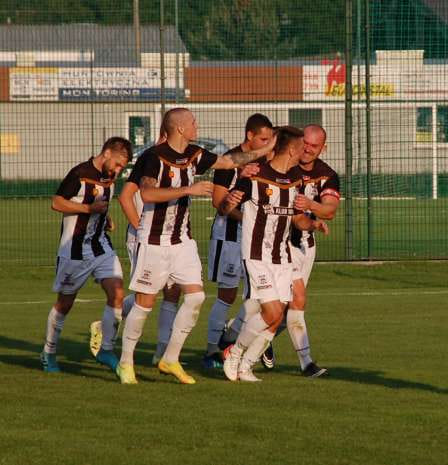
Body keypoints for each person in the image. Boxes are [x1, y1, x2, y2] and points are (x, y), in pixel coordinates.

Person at [116, 107, 275, 385]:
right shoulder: (154, 157)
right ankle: (125, 362)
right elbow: (148, 192)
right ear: (179, 128)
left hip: (182, 241)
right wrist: (188, 190)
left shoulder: (194, 154)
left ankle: (170, 358)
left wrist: (267, 148)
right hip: (153, 240)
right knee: (145, 303)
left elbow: (228, 162)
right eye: (192, 122)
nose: (196, 126)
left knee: (196, 297)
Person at [220, 126, 328, 382]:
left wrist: (313, 223)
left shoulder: (295, 180)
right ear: (292, 148)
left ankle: (246, 365)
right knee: (270, 312)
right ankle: (234, 353)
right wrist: (229, 201)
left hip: (282, 256)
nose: (306, 151)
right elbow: (224, 207)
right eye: (303, 146)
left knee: (277, 316)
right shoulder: (256, 176)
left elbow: (298, 219)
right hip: (257, 255)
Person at [87, 132, 183, 367]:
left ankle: (161, 352)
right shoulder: (149, 159)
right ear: (166, 135)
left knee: (172, 291)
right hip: (145, 237)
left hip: (168, 238)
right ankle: (112, 328)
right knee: (149, 292)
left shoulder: (178, 161)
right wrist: (140, 228)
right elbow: (125, 197)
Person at [39, 137, 132, 374]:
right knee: (64, 304)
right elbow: (57, 203)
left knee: (118, 292)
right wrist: (88, 209)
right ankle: (48, 352)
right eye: (119, 164)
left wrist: (104, 217)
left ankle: (106, 349)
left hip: (100, 246)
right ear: (108, 153)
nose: (119, 171)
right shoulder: (80, 173)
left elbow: (99, 205)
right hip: (74, 250)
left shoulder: (109, 176)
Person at [202, 113, 274, 369]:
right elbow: (218, 203)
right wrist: (247, 217)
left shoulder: (267, 162)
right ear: (250, 136)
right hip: (229, 237)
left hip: (255, 240)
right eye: (263, 139)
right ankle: (212, 350)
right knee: (227, 295)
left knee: (261, 295)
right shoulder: (230, 161)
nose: (268, 145)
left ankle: (241, 337)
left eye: (271, 140)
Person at [283, 123, 340, 377]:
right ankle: (306, 363)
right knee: (296, 299)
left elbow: (330, 210)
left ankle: (234, 339)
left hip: (306, 244)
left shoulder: (326, 174)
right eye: (304, 143)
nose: (307, 149)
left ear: (322, 148)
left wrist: (311, 206)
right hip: (280, 243)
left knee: (281, 308)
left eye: (314, 146)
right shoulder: (285, 166)